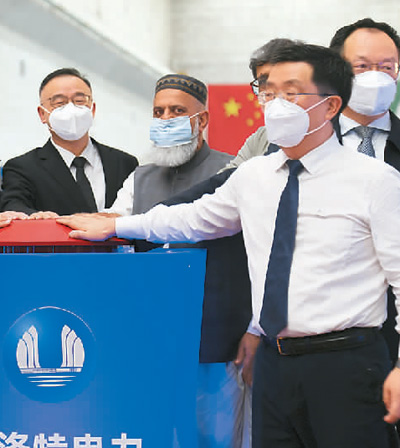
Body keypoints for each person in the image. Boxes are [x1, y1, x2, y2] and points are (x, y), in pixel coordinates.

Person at [58, 42, 400, 447]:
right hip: (274, 363)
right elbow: (192, 218)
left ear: (330, 106)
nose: (276, 105)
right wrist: (117, 225)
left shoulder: (374, 181)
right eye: (268, 92)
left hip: (346, 362)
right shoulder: (254, 176)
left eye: (291, 93)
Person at [105, 73, 254, 448]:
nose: (166, 119)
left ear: (202, 120)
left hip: (216, 340)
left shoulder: (234, 171)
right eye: (159, 112)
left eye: (177, 111)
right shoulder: (139, 178)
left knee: (215, 440)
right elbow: (108, 224)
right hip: (150, 336)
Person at [0, 68, 138, 218]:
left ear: (92, 109)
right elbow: (14, 205)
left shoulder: (124, 163)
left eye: (79, 101)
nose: (71, 109)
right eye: (59, 103)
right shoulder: (22, 168)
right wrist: (37, 217)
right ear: (42, 114)